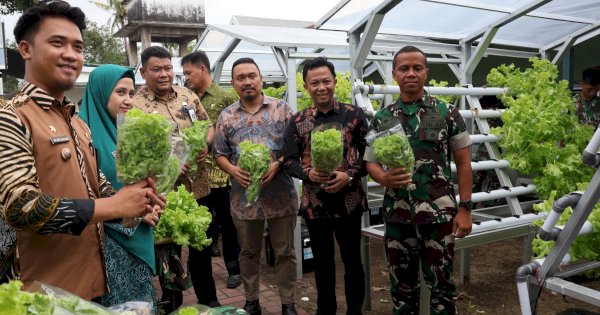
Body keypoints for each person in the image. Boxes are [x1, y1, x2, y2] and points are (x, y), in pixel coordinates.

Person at [0, 1, 163, 300]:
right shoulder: (10, 115)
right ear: (26, 49)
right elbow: (20, 206)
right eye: (57, 43)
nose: (71, 54)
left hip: (91, 286)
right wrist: (115, 207)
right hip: (39, 294)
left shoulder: (77, 123)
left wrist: (136, 204)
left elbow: (98, 189)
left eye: (78, 46)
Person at [365, 46, 473, 315]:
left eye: (417, 68)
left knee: (442, 288)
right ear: (394, 74)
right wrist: (382, 177)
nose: (410, 73)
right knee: (402, 290)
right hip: (398, 216)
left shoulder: (447, 112)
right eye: (404, 68)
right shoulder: (383, 117)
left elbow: (463, 164)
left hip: (439, 217)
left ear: (426, 72)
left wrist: (466, 209)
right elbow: (370, 161)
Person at [283, 57, 369, 315]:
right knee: (322, 263)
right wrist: (309, 174)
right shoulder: (298, 121)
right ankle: (326, 310)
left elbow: (371, 156)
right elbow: (288, 160)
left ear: (334, 82)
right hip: (315, 205)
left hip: (349, 201)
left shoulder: (353, 115)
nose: (322, 87)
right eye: (315, 82)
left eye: (326, 81)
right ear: (306, 86)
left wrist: (350, 175)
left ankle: (355, 310)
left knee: (353, 261)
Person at [213, 57, 298, 315]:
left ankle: (288, 303)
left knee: (285, 252)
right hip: (243, 199)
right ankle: (252, 301)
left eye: (252, 76)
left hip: (280, 196)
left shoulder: (282, 109)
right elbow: (218, 154)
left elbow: (295, 147)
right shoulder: (226, 116)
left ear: (261, 79)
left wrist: (278, 164)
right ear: (233, 83)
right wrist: (233, 170)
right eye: (241, 78)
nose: (247, 81)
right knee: (249, 252)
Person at [132, 45, 213, 313]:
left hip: (197, 188)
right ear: (143, 71)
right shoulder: (135, 105)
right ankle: (173, 305)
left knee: (201, 248)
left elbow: (207, 124)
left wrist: (205, 145)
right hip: (164, 194)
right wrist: (168, 163)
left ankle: (208, 299)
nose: (164, 74)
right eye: (156, 69)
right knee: (170, 252)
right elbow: (133, 152)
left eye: (168, 68)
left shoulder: (188, 96)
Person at [79, 64, 160, 312]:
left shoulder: (124, 131)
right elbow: (82, 197)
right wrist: (134, 214)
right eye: (120, 92)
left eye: (131, 93)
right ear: (101, 92)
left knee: (141, 304)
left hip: (138, 236)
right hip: (108, 247)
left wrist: (151, 200)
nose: (128, 101)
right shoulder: (84, 136)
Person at [181, 51, 242, 306]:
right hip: (198, 176)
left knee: (229, 224)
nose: (185, 78)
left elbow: (238, 132)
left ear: (203, 70)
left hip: (224, 174)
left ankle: (233, 269)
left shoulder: (226, 96)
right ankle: (200, 275)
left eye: (188, 73)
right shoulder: (186, 100)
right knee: (204, 227)